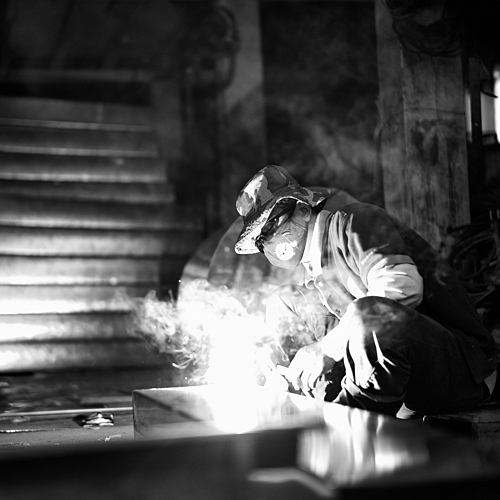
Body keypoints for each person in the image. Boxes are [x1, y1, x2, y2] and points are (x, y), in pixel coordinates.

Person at [234, 165, 499, 418]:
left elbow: (403, 286)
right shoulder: (318, 273)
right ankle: (311, 399)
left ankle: (350, 422)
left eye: (272, 225)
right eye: (261, 239)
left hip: (462, 370)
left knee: (368, 313)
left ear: (303, 209)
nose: (269, 240)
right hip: (404, 381)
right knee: (284, 302)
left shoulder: (355, 222)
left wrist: (325, 349)